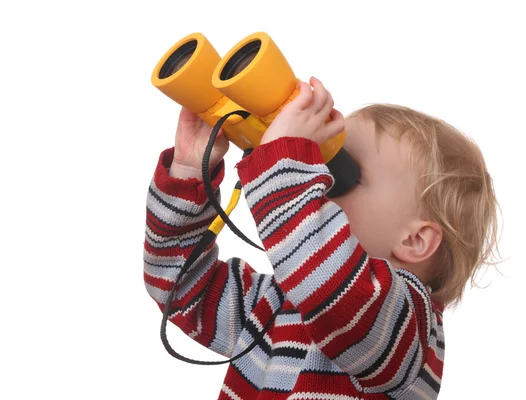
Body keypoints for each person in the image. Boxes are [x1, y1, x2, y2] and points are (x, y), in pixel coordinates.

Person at [143, 77, 499, 399]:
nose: (321, 178)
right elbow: (179, 283)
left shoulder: (409, 331)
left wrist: (284, 160)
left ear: (415, 240)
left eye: (344, 172)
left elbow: (333, 290)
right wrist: (190, 171)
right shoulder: (275, 306)